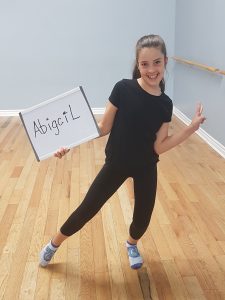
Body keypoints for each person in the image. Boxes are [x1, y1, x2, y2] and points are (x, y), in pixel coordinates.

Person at [39, 34, 206, 269]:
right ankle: (53, 244)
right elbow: (102, 127)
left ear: (165, 61)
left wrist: (190, 128)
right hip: (116, 163)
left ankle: (131, 243)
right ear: (137, 65)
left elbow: (159, 146)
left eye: (156, 62)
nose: (151, 69)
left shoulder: (165, 104)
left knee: (142, 220)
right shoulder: (123, 88)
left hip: (146, 166)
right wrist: (69, 143)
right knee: (88, 209)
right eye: (145, 64)